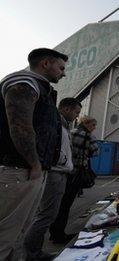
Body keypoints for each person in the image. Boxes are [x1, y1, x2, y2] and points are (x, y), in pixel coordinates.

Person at [0, 48, 67, 260]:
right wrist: (35, 164)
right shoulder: (24, 84)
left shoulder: (41, 90)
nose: (63, 73)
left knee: (19, 234)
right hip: (18, 170)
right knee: (6, 235)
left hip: (30, 170)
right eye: (61, 67)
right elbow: (20, 127)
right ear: (45, 64)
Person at [24, 98, 81, 260]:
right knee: (46, 215)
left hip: (59, 172)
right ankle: (31, 253)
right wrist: (61, 161)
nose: (77, 116)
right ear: (67, 109)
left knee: (46, 214)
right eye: (76, 112)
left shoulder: (63, 125)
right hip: (55, 172)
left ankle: (35, 251)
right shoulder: (55, 123)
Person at [49, 115, 98, 244]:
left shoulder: (71, 131)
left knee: (60, 204)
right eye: (93, 125)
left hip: (66, 172)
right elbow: (95, 151)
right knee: (66, 205)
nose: (94, 128)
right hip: (76, 174)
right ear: (87, 124)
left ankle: (53, 232)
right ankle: (59, 234)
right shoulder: (87, 136)